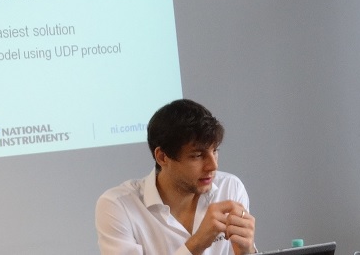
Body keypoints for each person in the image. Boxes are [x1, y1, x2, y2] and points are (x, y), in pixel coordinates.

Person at [95, 99, 256, 255]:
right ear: (162, 157)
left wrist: (246, 252)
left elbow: (244, 251)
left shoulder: (230, 188)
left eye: (215, 151)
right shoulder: (119, 205)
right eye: (197, 155)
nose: (213, 166)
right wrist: (197, 243)